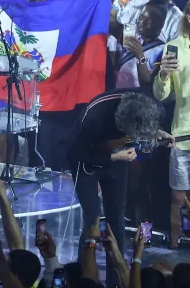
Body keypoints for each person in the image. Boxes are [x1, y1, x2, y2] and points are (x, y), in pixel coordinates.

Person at [67, 91, 166, 260]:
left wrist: (155, 133)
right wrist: (113, 157)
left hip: (118, 158)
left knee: (116, 219)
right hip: (86, 159)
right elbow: (73, 151)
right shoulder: (94, 116)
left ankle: (117, 271)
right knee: (92, 218)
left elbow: (142, 129)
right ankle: (84, 270)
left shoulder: (154, 107)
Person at [155, 15, 190, 250]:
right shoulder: (174, 47)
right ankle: (175, 249)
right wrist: (164, 75)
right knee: (178, 197)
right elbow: (161, 94)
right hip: (183, 134)